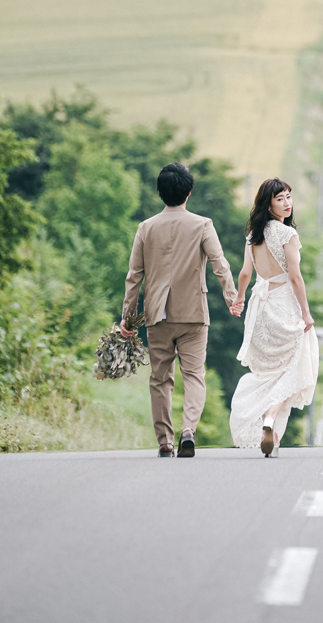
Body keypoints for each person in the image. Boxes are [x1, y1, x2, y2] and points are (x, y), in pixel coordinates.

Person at [120, 162, 237, 458]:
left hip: (157, 314)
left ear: (160, 193)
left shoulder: (146, 228)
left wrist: (128, 318)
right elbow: (219, 263)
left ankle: (165, 441)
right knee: (194, 375)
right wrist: (231, 297)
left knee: (160, 378)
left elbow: (134, 276)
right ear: (188, 193)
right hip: (194, 313)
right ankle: (188, 431)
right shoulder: (202, 225)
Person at [229, 178, 319, 456]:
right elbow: (295, 277)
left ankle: (272, 435)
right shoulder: (286, 234)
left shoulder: (252, 236)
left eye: (289, 196)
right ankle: (270, 417)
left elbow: (245, 273)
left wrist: (239, 299)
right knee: (295, 366)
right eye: (280, 199)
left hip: (260, 310)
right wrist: (306, 313)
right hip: (284, 306)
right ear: (268, 205)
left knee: (270, 372)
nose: (287, 203)